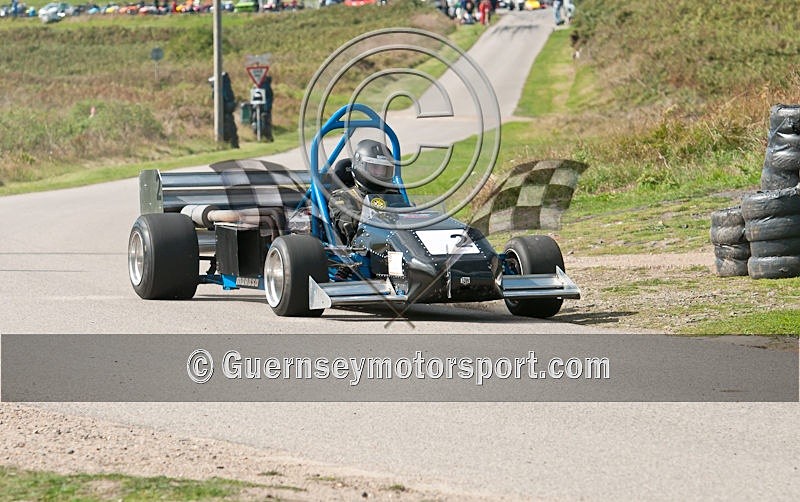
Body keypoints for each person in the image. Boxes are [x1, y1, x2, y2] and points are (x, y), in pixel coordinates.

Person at [328, 139, 398, 244]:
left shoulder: (392, 194)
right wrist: (381, 219)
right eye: (375, 168)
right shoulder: (342, 196)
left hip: (397, 243)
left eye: (383, 169)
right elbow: (348, 221)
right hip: (362, 248)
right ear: (360, 166)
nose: (379, 173)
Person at [208, 72, 239, 148]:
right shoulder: (226, 87)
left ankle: (228, 144)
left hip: (225, 113)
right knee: (230, 128)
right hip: (226, 113)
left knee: (228, 128)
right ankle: (231, 144)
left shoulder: (222, 88)